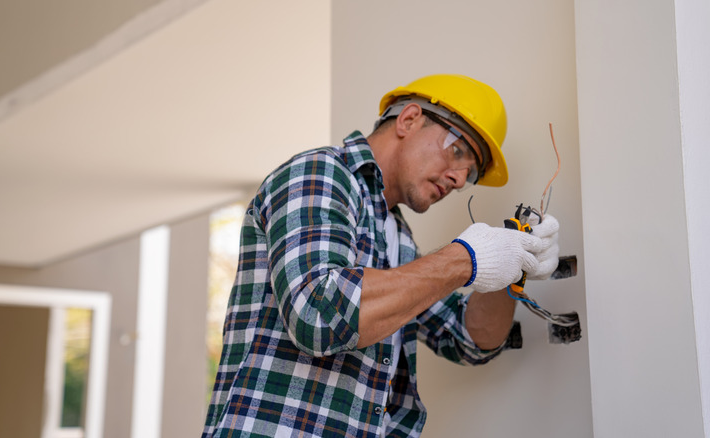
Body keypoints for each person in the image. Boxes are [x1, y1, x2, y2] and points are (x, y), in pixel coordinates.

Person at [202, 74, 560, 438]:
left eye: (469, 174)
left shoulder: (397, 237)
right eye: (457, 151)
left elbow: (469, 337)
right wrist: (464, 259)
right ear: (408, 120)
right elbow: (318, 313)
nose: (457, 178)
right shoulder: (321, 173)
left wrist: (513, 265)